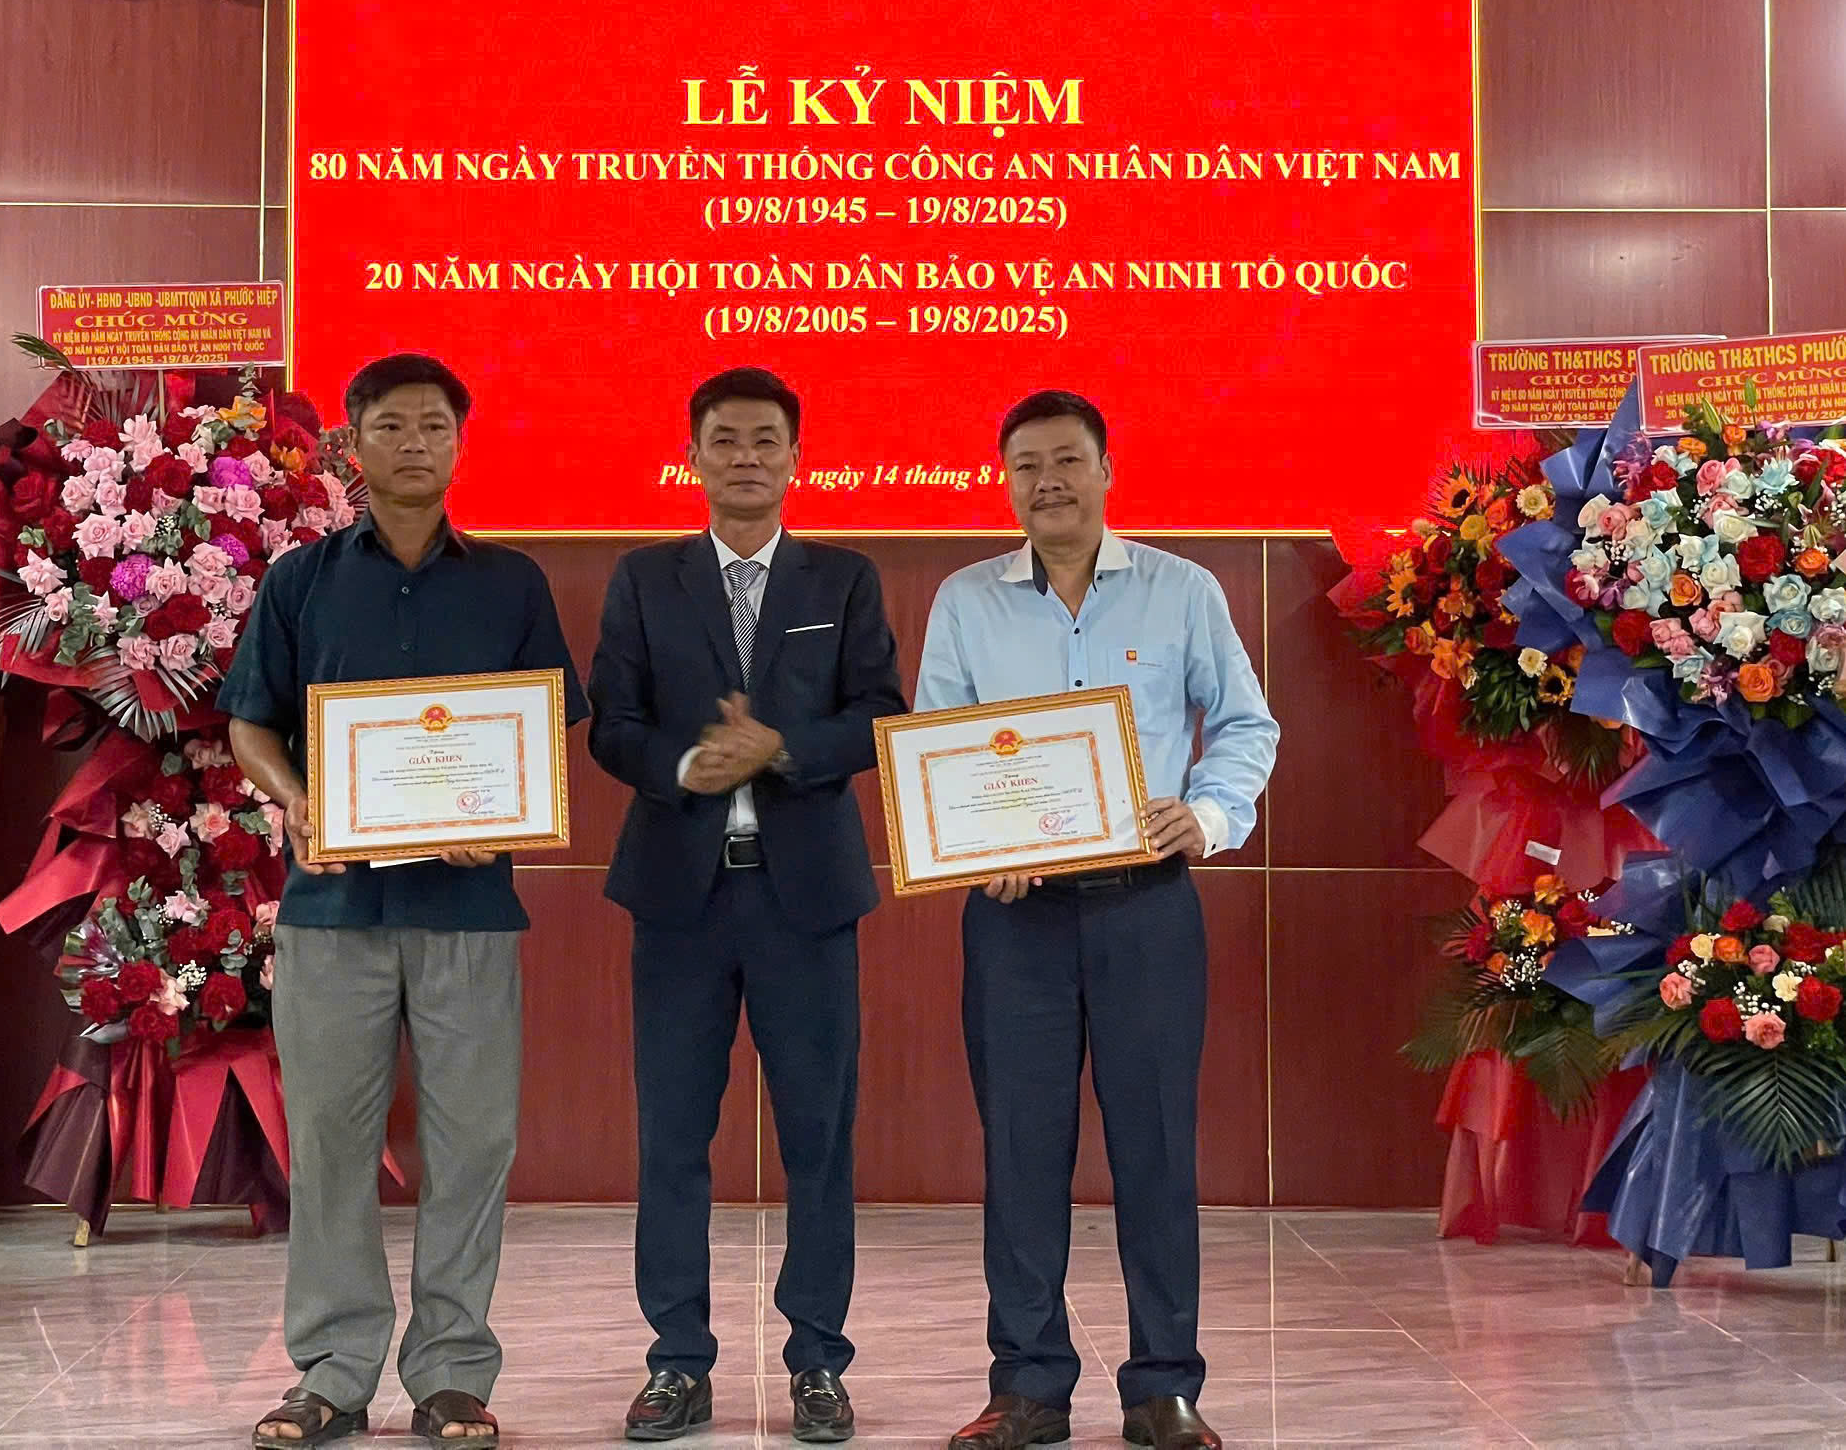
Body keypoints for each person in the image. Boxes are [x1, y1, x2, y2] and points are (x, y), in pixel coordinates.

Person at [222, 353, 589, 1449]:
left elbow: (544, 730)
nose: (415, 442)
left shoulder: (512, 584)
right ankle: (332, 1373)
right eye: (391, 425)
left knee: (472, 1144)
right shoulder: (300, 581)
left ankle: (451, 1373)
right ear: (353, 445)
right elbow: (250, 722)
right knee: (331, 1145)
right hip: (332, 911)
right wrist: (296, 801)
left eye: (434, 424)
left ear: (459, 444)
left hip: (468, 911)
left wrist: (507, 813)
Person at [917, 392, 1278, 1450]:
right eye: (1025, 465)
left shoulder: (1181, 590)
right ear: (1005, 481)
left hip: (1145, 908)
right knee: (1020, 1152)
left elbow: (1245, 723)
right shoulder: (965, 601)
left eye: (1067, 460)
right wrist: (978, 846)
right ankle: (1027, 1386)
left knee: (1155, 1149)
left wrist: (1208, 813)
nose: (1048, 482)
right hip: (1014, 920)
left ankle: (1163, 1386)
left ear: (1107, 469)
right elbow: (937, 744)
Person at [588, 367, 907, 1446]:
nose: (746, 457)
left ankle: (817, 1358)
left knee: (818, 1138)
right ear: (692, 456)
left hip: (804, 900)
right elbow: (611, 723)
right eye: (724, 439)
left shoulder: (844, 579)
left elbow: (878, 715)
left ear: (795, 457)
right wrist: (687, 766)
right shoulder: (644, 578)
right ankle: (677, 1361)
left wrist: (782, 748)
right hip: (679, 900)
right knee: (673, 1137)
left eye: (766, 440)